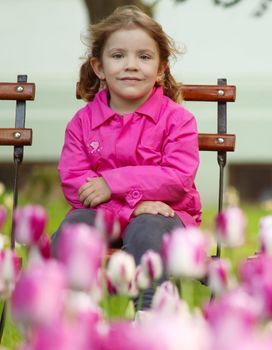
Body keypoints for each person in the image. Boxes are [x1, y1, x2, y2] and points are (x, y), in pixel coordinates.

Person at [51, 5, 201, 309]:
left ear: (161, 68)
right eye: (118, 56)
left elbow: (177, 178)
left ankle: (150, 310)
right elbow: (75, 183)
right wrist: (129, 207)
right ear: (99, 67)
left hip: (164, 218)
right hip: (103, 215)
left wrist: (111, 184)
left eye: (144, 57)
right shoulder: (82, 123)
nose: (131, 65)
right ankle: (74, 311)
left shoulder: (178, 120)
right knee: (73, 228)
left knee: (148, 227)